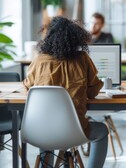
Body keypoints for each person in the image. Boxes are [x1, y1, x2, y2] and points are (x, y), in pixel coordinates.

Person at [23, 17, 108, 168]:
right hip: (75, 130)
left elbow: (28, 89)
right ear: (76, 38)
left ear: (49, 37)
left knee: (46, 125)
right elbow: (93, 92)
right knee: (102, 131)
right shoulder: (82, 59)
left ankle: (45, 165)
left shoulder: (39, 60)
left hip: (41, 130)